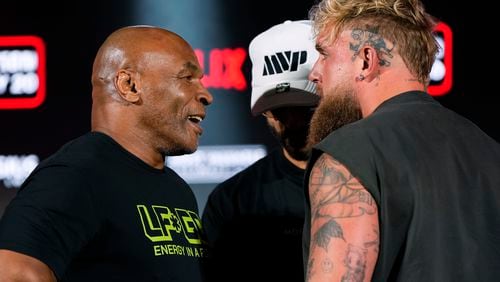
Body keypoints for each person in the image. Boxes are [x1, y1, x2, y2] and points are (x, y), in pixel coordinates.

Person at [303, 0, 500, 281]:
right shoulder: (491, 151)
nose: (315, 73)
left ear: (366, 60)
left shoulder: (349, 154)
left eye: (325, 55)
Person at [0, 25, 213, 281]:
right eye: (187, 78)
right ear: (129, 85)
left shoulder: (178, 190)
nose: (206, 94)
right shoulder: (76, 175)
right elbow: (13, 271)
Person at [201, 20, 324, 282]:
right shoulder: (233, 200)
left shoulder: (374, 179)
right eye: (277, 110)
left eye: (303, 108)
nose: (291, 123)